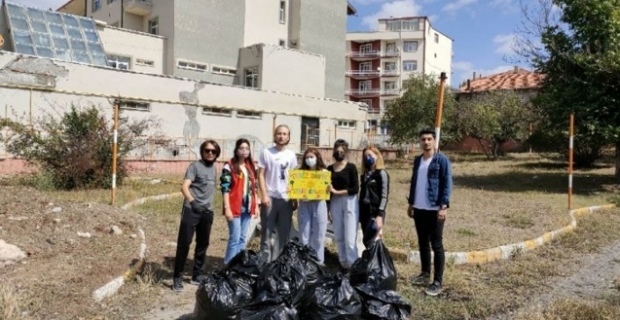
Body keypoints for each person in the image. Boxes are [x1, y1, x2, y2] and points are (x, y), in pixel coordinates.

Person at [407, 129, 453, 297]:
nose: (426, 142)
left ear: (434, 141)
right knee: (422, 243)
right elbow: (414, 183)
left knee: (437, 245)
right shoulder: (418, 160)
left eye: (429, 139)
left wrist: (443, 206)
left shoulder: (442, 160)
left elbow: (447, 183)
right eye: (423, 139)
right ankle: (425, 273)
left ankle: (437, 281)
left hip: (435, 209)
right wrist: (411, 203)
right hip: (419, 208)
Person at [172, 139, 220, 292]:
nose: (210, 153)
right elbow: (184, 187)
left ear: (216, 153)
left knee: (202, 244)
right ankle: (177, 277)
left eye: (213, 151)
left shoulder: (214, 169)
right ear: (202, 152)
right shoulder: (195, 166)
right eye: (207, 150)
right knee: (184, 244)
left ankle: (196, 275)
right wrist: (193, 202)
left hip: (207, 212)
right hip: (192, 210)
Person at [258, 124, 298, 262]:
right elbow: (261, 175)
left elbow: (293, 178)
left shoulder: (291, 155)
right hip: (270, 198)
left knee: (283, 235)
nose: (281, 136)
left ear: (288, 137)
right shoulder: (266, 153)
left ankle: (278, 264)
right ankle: (265, 264)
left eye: (285, 134)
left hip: (285, 199)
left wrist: (294, 198)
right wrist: (263, 194)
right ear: (275, 135)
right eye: (279, 133)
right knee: (266, 233)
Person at [220, 138, 259, 265]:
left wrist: (256, 206)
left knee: (243, 238)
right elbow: (225, 188)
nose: (244, 151)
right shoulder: (229, 165)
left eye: (247, 148)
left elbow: (254, 187)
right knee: (234, 238)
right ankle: (228, 267)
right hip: (234, 207)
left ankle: (237, 266)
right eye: (241, 148)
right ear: (236, 150)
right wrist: (227, 208)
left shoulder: (251, 166)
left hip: (247, 207)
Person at [327, 139, 359, 272]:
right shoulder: (329, 169)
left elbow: (355, 188)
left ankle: (353, 265)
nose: (339, 153)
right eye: (337, 150)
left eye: (342, 151)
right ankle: (343, 263)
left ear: (346, 152)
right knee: (339, 235)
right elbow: (326, 190)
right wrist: (328, 207)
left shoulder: (351, 167)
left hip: (349, 201)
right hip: (335, 202)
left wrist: (337, 191)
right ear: (334, 151)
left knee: (350, 237)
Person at [297, 147, 329, 265]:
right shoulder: (300, 173)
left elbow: (327, 191)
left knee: (319, 235)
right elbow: (296, 189)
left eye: (312, 157)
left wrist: (328, 188)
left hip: (319, 205)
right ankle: (304, 262)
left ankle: (318, 263)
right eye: (307, 157)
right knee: (304, 235)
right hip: (304, 205)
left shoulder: (324, 173)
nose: (309, 159)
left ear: (317, 158)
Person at [359, 146, 390, 249]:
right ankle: (369, 261)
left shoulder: (382, 174)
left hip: (375, 211)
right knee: (366, 239)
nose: (367, 158)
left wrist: (380, 215)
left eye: (370, 155)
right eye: (365, 156)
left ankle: (377, 262)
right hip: (364, 210)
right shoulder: (364, 174)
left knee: (372, 239)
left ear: (377, 156)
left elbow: (384, 196)